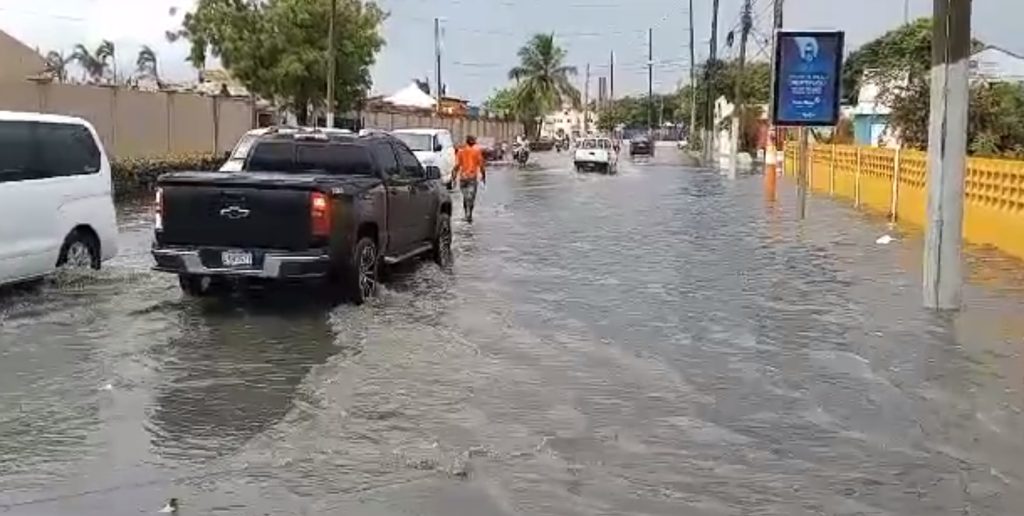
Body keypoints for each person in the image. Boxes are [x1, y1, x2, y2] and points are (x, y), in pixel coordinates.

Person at [452, 135, 486, 223]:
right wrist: (483, 177)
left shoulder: (461, 151)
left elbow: (456, 166)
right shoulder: (477, 151)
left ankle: (465, 214)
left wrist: (454, 178)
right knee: (471, 198)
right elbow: (481, 166)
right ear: (472, 141)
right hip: (472, 178)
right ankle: (469, 215)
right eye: (474, 140)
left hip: (463, 178)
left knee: (465, 197)